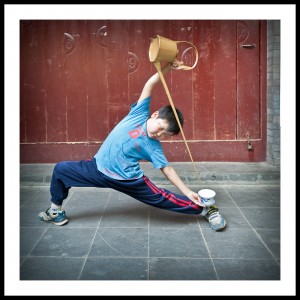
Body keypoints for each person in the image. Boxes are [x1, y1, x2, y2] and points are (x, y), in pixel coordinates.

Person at [38, 59, 226, 231]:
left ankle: (206, 210)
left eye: (165, 135)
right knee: (61, 170)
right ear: (154, 115)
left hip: (129, 180)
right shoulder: (138, 114)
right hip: (98, 168)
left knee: (162, 198)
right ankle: (56, 211)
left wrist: (187, 191)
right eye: (160, 128)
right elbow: (149, 85)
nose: (159, 134)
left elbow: (167, 170)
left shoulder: (154, 146)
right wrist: (167, 68)